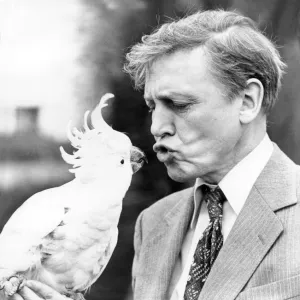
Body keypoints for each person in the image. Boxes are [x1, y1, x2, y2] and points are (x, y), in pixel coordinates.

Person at [9, 9, 300, 300]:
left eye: (180, 104)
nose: (156, 127)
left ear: (248, 101)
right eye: (152, 107)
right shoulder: (152, 223)